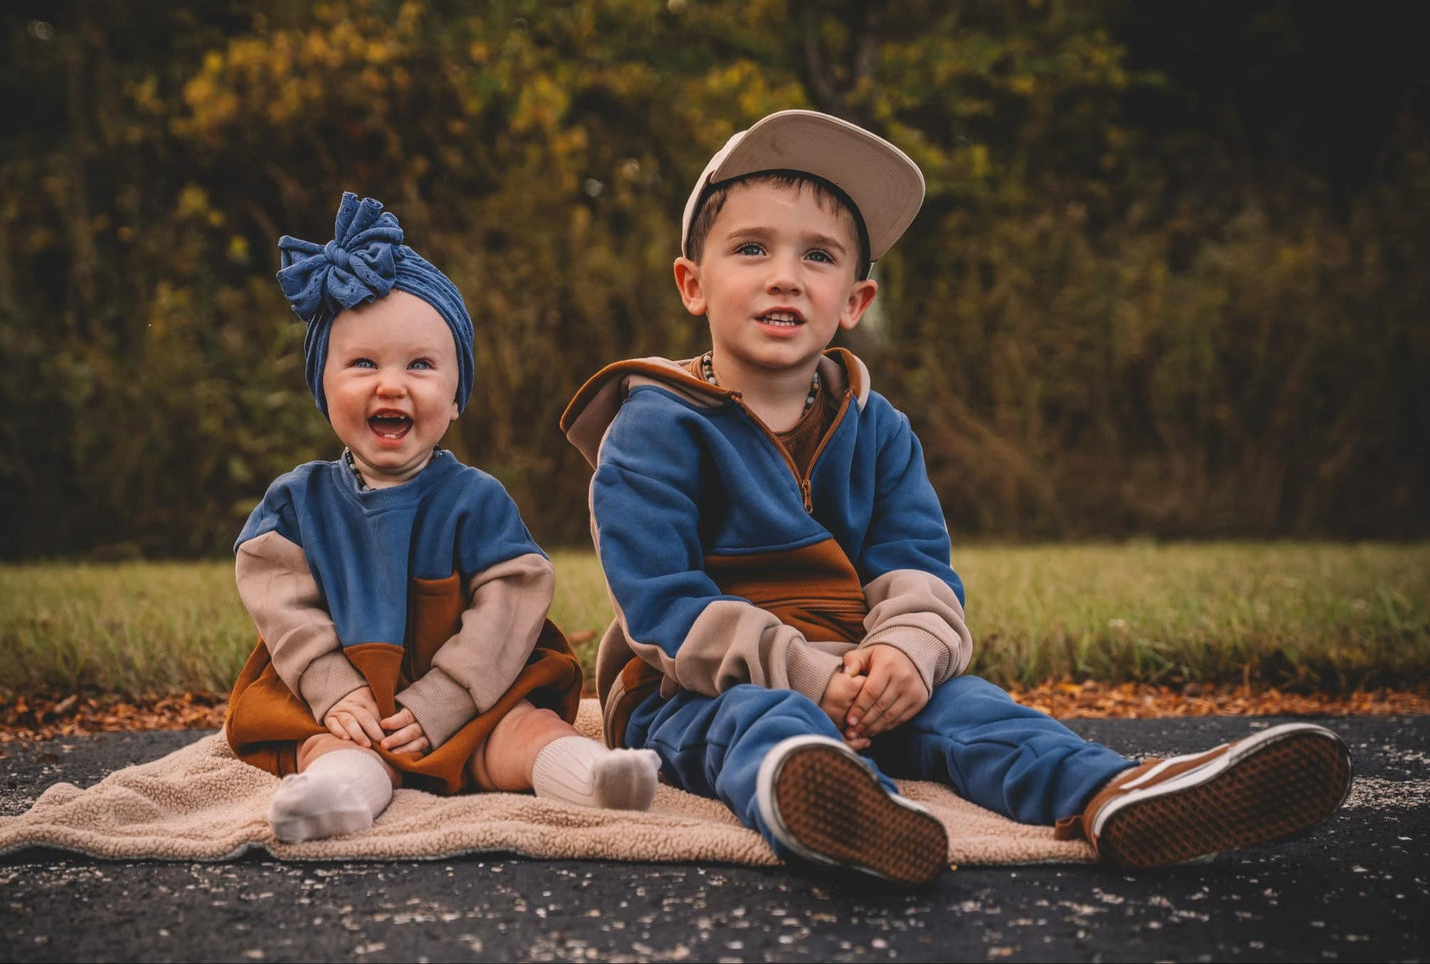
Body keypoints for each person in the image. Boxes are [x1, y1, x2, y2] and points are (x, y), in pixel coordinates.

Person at [559, 110, 1352, 885]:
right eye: (752, 248)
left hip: (859, 673)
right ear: (693, 285)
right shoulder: (654, 425)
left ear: (854, 303)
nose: (784, 276)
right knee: (765, 725)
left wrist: (906, 653)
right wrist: (805, 677)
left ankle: (1113, 795)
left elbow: (914, 566)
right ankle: (832, 803)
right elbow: (662, 602)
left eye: (819, 257)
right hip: (686, 691)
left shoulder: (877, 428)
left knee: (975, 713)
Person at [226, 192, 660, 844]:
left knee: (525, 728)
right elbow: (280, 600)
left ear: (457, 398)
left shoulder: (473, 498)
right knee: (327, 744)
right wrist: (329, 685)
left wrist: (448, 697)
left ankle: (589, 775)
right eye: (363, 363)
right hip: (344, 700)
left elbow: (513, 595)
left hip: (471, 693)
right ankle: (339, 793)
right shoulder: (300, 501)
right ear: (322, 386)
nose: (391, 384)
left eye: (421, 365)